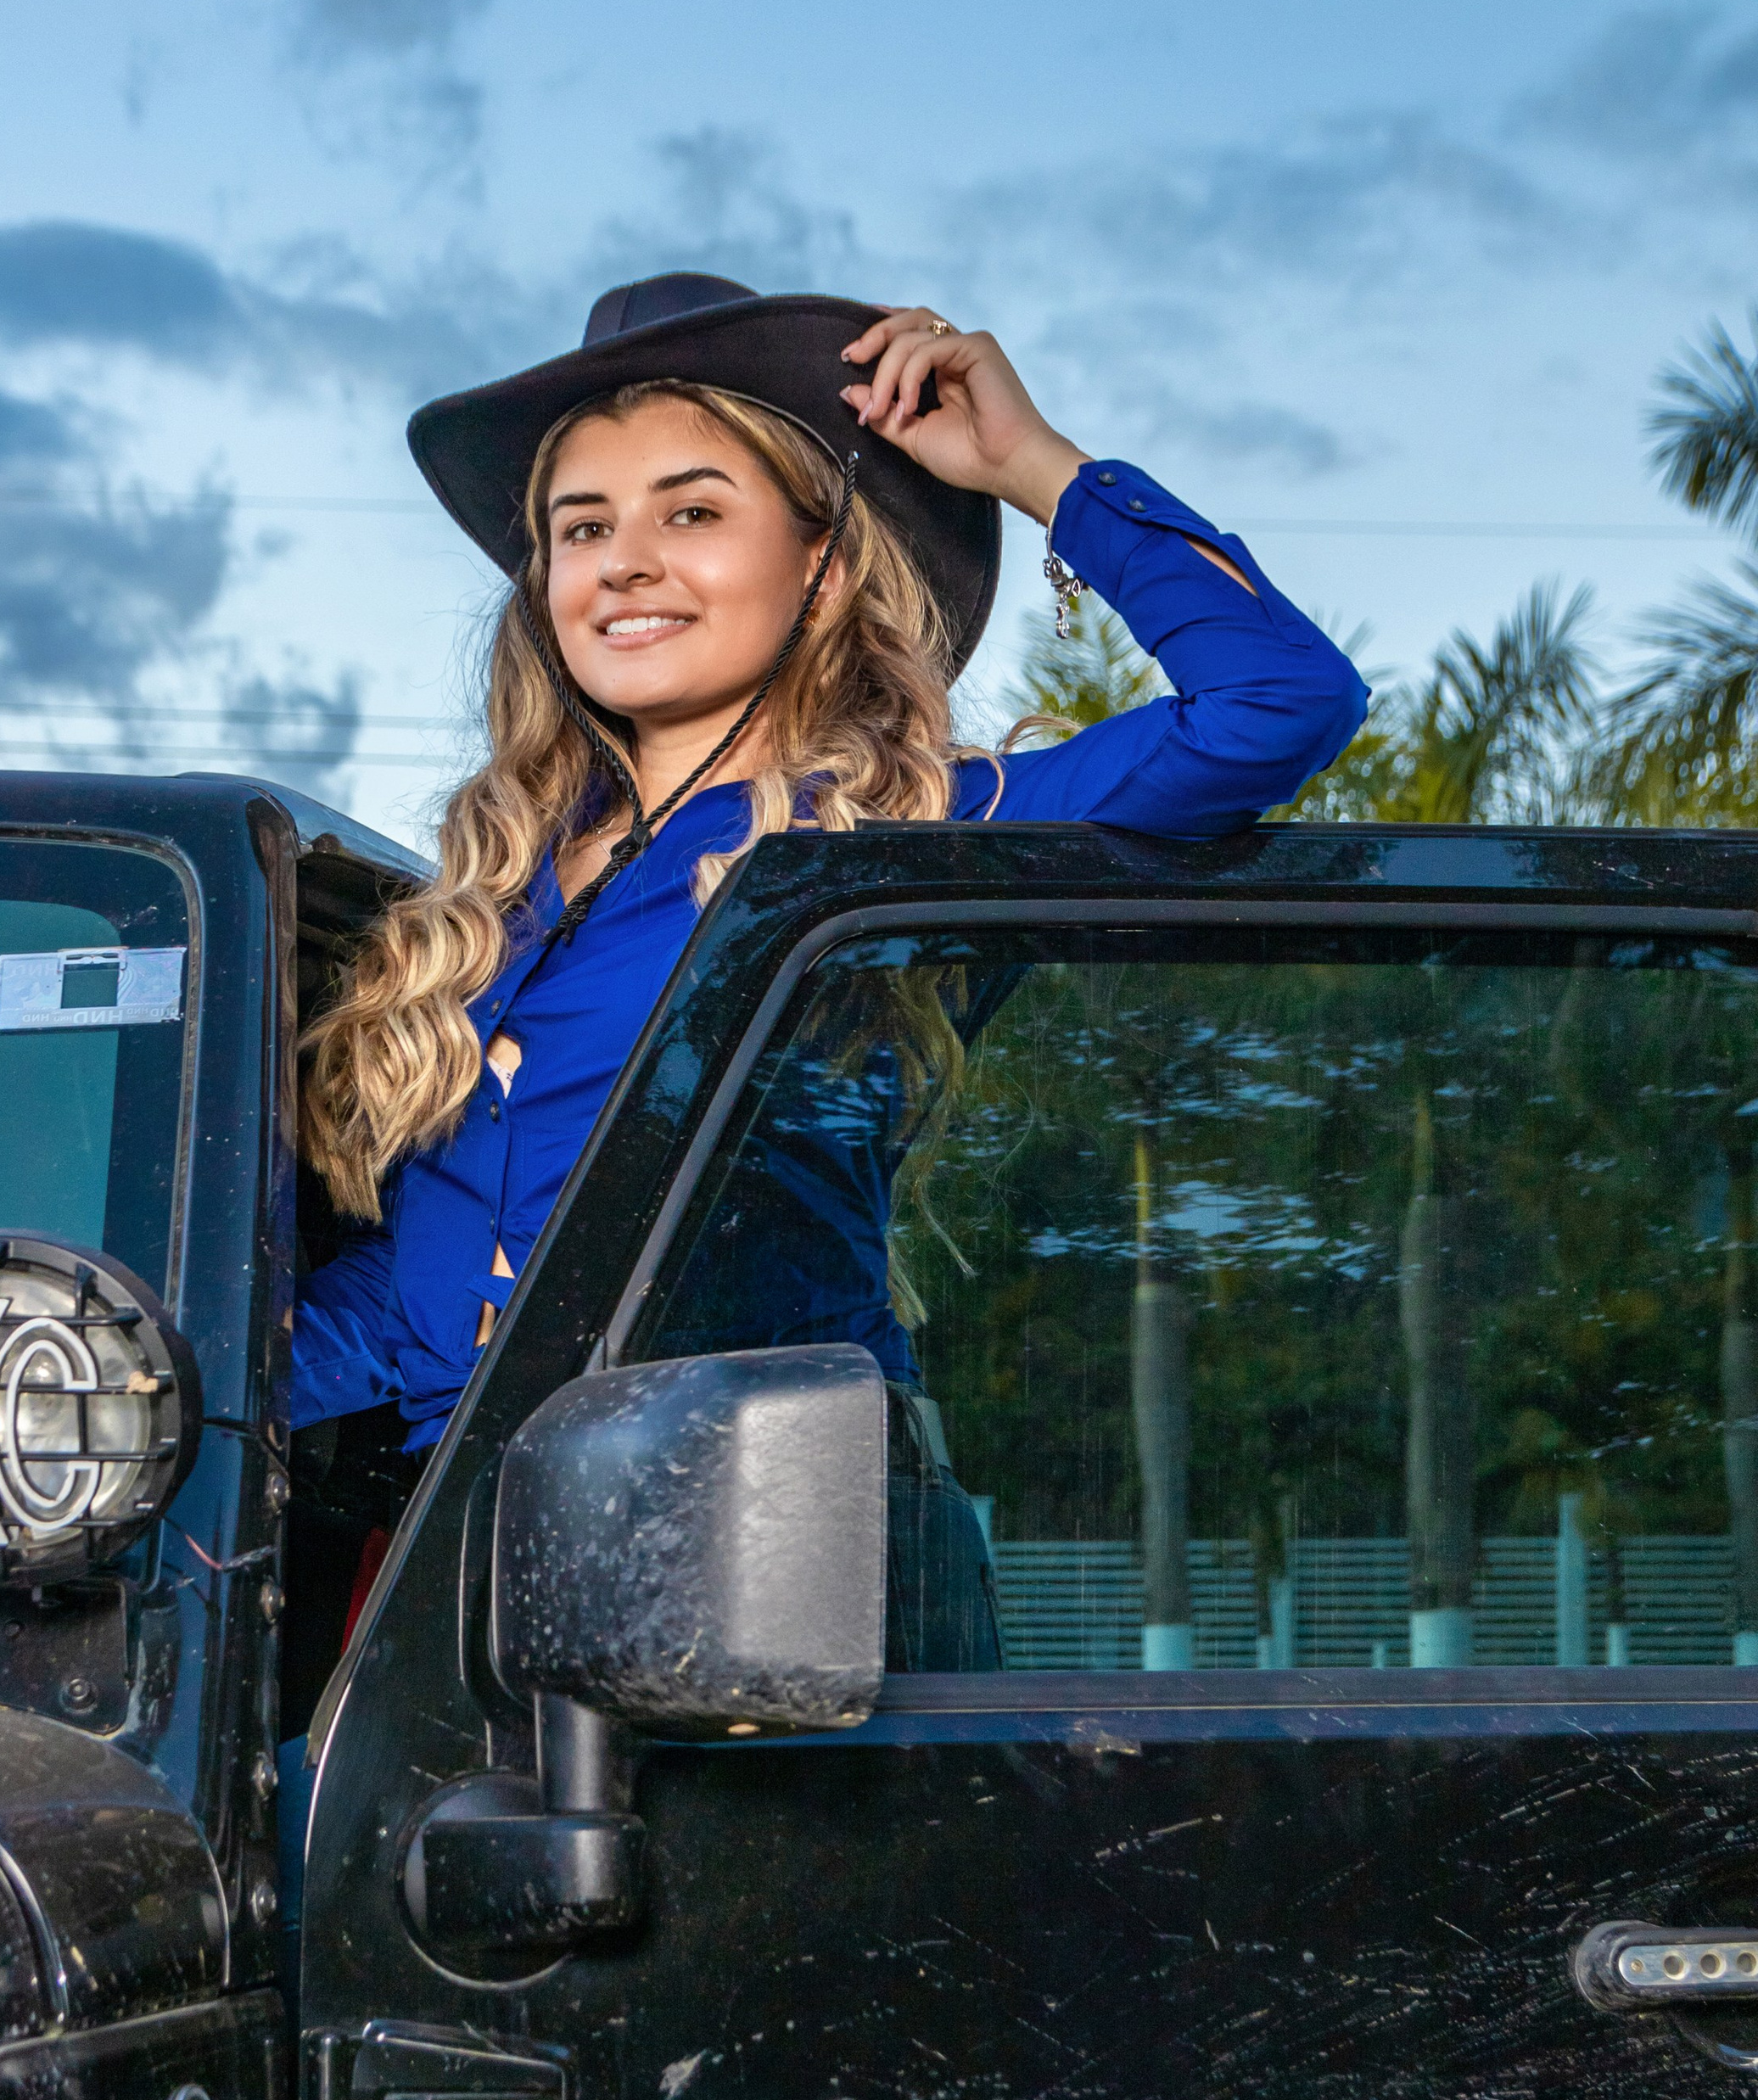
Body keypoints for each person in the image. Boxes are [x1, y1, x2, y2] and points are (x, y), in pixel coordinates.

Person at [285, 272, 1369, 1685]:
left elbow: (1280, 700)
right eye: (582, 526)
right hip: (484, 1553)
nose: (623, 562)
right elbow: (431, 1300)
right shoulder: (489, 900)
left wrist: (1034, 466)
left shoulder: (917, 835)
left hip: (790, 1559)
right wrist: (137, 1387)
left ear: (824, 564)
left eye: (691, 511)